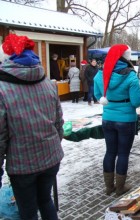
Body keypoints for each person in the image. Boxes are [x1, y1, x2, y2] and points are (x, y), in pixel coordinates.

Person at [0, 33, 64, 220]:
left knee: (28, 210)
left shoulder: (2, 89)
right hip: (51, 157)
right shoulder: (49, 83)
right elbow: (58, 123)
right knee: (45, 200)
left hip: (22, 164)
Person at [94, 44, 140, 196]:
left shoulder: (99, 74)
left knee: (110, 152)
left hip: (108, 118)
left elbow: (97, 95)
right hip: (126, 120)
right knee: (123, 154)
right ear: (126, 57)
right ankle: (120, 188)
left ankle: (109, 187)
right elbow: (137, 102)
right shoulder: (130, 75)